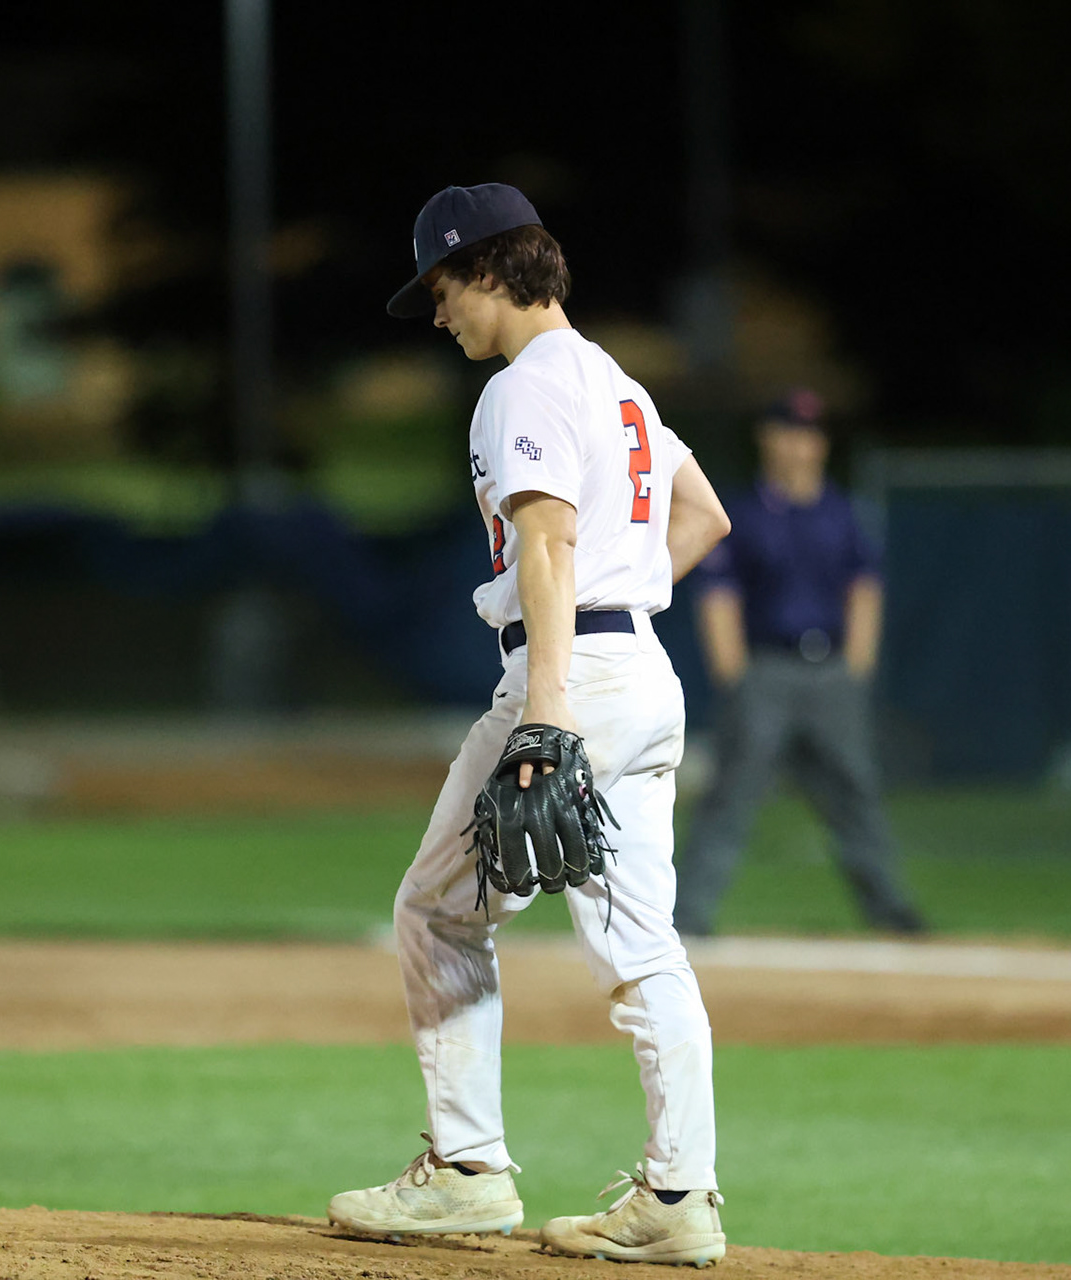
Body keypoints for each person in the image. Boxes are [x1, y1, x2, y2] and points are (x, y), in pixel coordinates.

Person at [326, 183, 734, 1266]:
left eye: (447, 284)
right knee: (645, 947)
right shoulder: (622, 386)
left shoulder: (524, 388)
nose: (442, 310)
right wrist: (627, 603)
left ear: (497, 269)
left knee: (436, 910)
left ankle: (467, 1172)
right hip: (642, 672)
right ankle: (680, 1194)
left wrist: (547, 714)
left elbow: (546, 545)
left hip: (571, 685)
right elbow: (704, 516)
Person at [675, 389, 927, 938]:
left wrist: (857, 667)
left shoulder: (843, 512)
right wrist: (734, 676)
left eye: (810, 434)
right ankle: (688, 913)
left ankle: (888, 908)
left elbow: (865, 589)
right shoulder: (742, 512)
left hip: (831, 670)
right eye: (789, 432)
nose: (801, 445)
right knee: (733, 794)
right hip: (765, 669)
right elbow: (718, 596)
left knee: (855, 790)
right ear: (768, 438)